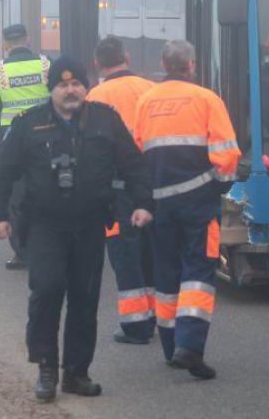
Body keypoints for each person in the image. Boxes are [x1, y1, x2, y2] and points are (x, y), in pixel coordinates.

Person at [0, 55, 153, 403]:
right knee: (46, 292)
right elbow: (2, 172)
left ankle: (76, 373)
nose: (70, 90)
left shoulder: (105, 121)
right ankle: (46, 368)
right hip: (44, 225)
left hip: (90, 224)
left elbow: (134, 164)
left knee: (84, 298)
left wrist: (142, 203)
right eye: (63, 85)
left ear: (86, 87)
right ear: (52, 91)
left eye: (76, 83)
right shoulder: (28, 124)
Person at [134, 40, 241, 380]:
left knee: (166, 275)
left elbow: (136, 154)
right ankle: (190, 347)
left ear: (165, 65)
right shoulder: (207, 99)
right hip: (198, 205)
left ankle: (170, 349)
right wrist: (220, 185)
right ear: (192, 65)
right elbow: (227, 157)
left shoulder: (146, 100)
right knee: (198, 271)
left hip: (158, 206)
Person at [85, 36, 156, 345]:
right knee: (153, 252)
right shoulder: (150, 88)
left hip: (117, 189)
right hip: (153, 181)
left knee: (124, 253)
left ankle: (136, 325)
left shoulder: (95, 96)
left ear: (97, 64)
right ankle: (158, 314)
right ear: (127, 56)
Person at [0, 23, 50, 270]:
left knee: (17, 197)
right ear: (28, 39)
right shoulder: (45, 65)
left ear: (6, 44)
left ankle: (22, 252)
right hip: (46, 137)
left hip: (12, 141)